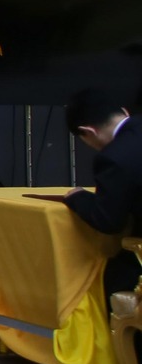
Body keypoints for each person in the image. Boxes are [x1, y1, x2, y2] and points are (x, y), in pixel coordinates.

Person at [63, 88, 142, 303]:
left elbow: (108, 220)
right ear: (124, 111)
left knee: (110, 277)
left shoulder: (114, 157)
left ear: (88, 131)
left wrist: (77, 197)